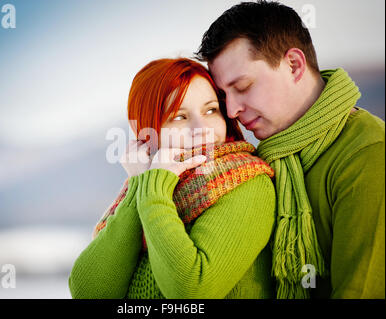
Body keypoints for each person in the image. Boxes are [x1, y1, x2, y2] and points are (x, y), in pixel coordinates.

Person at [196, 0, 385, 299]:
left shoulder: (369, 152)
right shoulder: (261, 164)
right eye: (223, 96)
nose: (231, 110)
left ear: (294, 65)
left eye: (243, 86)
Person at [69, 58, 277, 299]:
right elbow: (89, 292)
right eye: (179, 117)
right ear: (148, 132)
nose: (202, 128)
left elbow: (191, 292)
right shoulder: (145, 188)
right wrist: (141, 184)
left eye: (211, 110)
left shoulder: (247, 182)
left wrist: (153, 191)